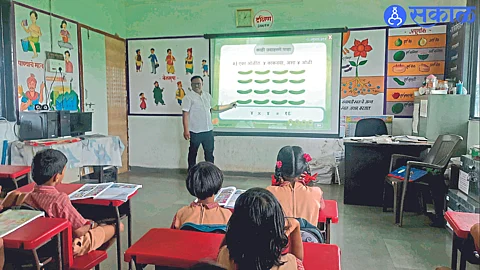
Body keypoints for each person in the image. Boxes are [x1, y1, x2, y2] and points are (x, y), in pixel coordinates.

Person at [23, 149, 124, 257]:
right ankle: (86, 255)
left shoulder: (27, 197)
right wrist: (92, 225)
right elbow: (79, 231)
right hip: (64, 248)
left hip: (42, 248)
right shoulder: (59, 200)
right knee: (118, 226)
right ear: (57, 177)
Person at [216, 188, 304, 270]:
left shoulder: (224, 256)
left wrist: (235, 227)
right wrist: (296, 226)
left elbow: (224, 247)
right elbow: (298, 263)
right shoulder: (290, 263)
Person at [182, 76, 236, 170]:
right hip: (195, 131)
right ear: (191, 85)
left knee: (209, 153)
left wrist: (230, 106)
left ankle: (211, 173)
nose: (197, 86)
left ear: (202, 84)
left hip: (208, 131)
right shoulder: (188, 97)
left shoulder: (207, 96)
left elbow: (215, 108)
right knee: (193, 153)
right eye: (194, 84)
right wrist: (186, 130)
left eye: (198, 83)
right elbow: (185, 114)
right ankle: (191, 173)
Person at [266, 146, 325, 226]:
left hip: (280, 238)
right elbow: (322, 207)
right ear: (304, 168)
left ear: (279, 167)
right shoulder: (316, 192)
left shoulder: (270, 192)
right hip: (307, 238)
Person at [171, 162, 231, 229]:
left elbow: (173, 236)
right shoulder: (227, 215)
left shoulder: (181, 213)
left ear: (190, 184)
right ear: (219, 185)